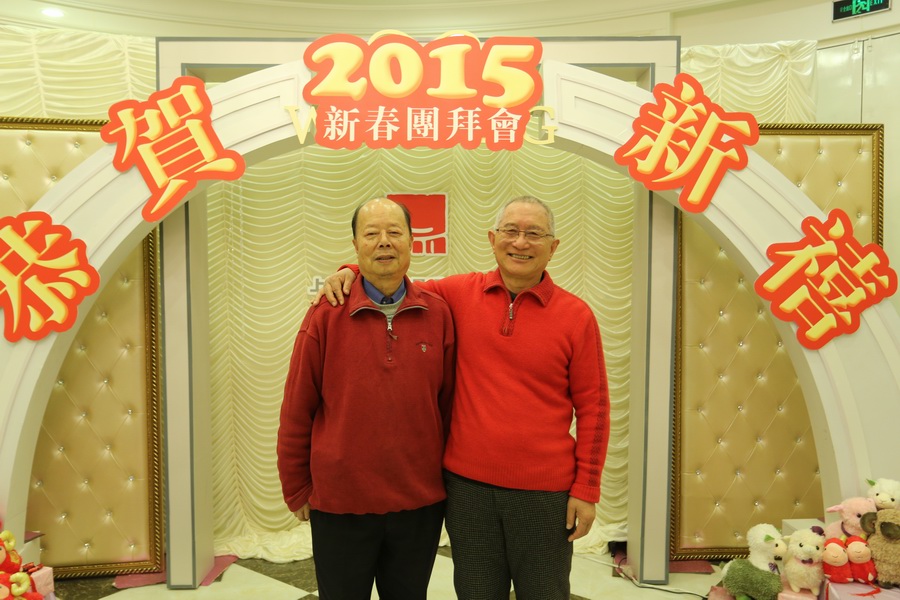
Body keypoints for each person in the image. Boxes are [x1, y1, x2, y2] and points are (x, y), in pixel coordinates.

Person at [318, 195, 610, 599]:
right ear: (492, 239)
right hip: (468, 491)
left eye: (534, 234)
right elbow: (390, 279)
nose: (520, 242)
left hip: (544, 495)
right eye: (510, 231)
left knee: (544, 592)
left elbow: (595, 408)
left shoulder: (576, 316)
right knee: (475, 593)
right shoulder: (457, 294)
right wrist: (349, 270)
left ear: (553, 246)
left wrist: (586, 489)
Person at [277, 197, 456, 600]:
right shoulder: (326, 313)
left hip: (418, 502)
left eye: (394, 232)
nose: (384, 242)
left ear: (412, 241)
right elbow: (297, 407)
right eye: (371, 233)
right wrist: (296, 486)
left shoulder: (438, 313)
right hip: (341, 501)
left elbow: (447, 408)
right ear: (356, 244)